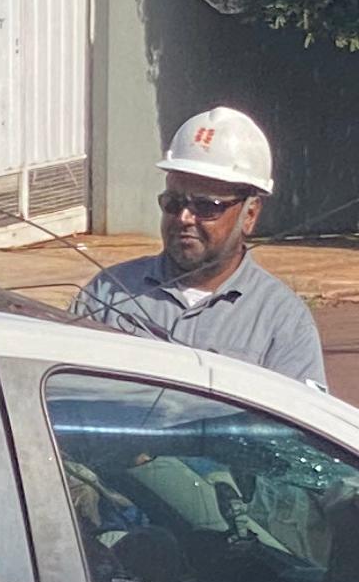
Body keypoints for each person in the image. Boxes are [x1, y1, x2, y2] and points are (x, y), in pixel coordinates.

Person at [71, 106, 326, 389]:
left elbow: (297, 422)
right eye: (173, 203)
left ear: (250, 215)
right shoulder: (107, 294)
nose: (184, 218)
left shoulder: (282, 321)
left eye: (206, 206)